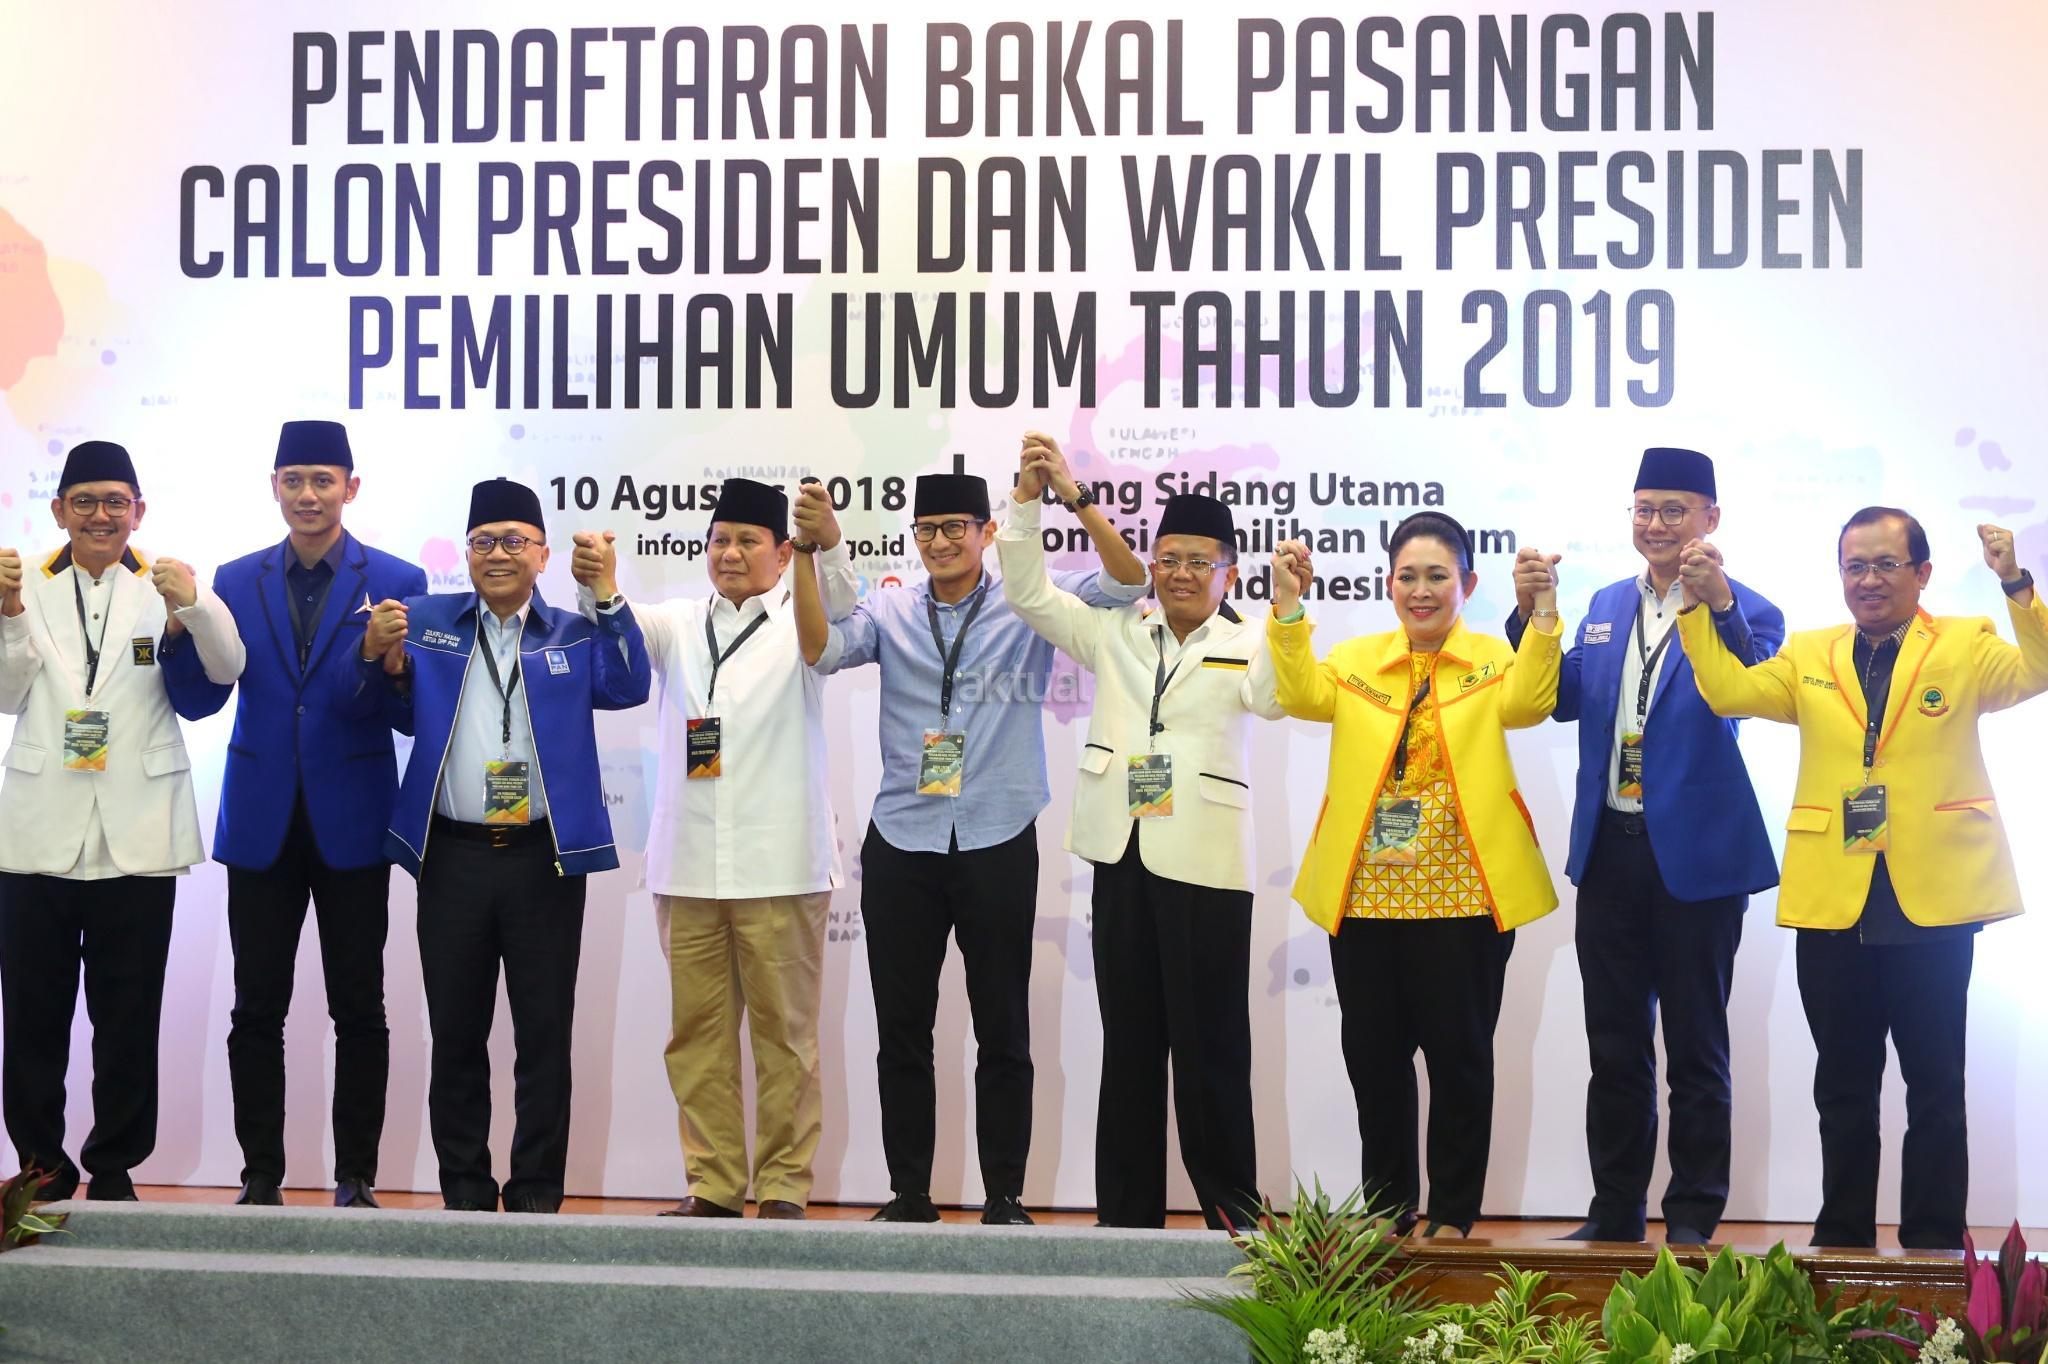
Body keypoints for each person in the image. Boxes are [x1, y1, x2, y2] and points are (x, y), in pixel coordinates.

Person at [1675, 510, 2048, 1250]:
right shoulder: (1811, 652)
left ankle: (1934, 1243)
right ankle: (1842, 1235)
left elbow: (2039, 669)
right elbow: (1728, 692)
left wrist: (2015, 584)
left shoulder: (1966, 642)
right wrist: (1698, 607)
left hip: (1934, 897)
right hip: (1833, 897)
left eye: (1885, 564)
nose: (1868, 580)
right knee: (1843, 1085)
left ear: (1922, 573)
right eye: (1854, 566)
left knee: (1935, 1084)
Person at [796, 449, 1148, 1225]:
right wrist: (812, 552)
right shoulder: (891, 609)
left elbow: (1128, 584)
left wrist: (1072, 497)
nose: (940, 542)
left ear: (988, 532)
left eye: (955, 527)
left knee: (1004, 1026)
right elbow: (821, 650)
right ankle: (908, 1194)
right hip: (902, 839)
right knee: (901, 1031)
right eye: (926, 529)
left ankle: (1005, 1197)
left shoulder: (1029, 598)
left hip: (996, 835)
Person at [996, 441, 1284, 1231]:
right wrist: (1028, 501)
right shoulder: (1116, 630)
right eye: (1169, 559)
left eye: (1200, 562)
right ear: (1151, 566)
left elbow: (1276, 699)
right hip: (1121, 853)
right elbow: (1027, 591)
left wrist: (1290, 616)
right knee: (1129, 1044)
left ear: (1229, 573)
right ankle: (1125, 1221)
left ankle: (1233, 1217)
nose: (1182, 574)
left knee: (1211, 1046)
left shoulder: (1254, 640)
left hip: (1207, 864)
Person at [1503, 448, 1785, 1245]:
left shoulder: (1753, 608)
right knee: (1615, 1048)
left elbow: (1753, 685)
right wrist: (1530, 616)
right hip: (1612, 850)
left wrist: (1717, 604)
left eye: (1674, 510)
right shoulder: (1602, 604)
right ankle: (1616, 1210)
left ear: (1710, 519)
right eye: (1644, 508)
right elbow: (1560, 698)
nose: (1656, 524)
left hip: (1698, 860)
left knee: (1698, 1050)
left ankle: (1693, 1217)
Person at [1267, 512, 1561, 1237]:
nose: (1421, 591)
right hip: (1365, 896)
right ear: (1389, 583)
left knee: (1460, 1061)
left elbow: (1531, 705)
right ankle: (1388, 1206)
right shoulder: (1356, 659)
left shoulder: (1493, 659)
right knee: (1374, 1060)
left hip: (1465, 893)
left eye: (1437, 576)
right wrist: (1289, 608)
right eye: (1408, 576)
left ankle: (1454, 1214)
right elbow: (1301, 696)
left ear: (1467, 583)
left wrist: (1543, 616)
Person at [363, 477, 649, 1213]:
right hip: (451, 857)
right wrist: (378, 658)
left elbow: (629, 686)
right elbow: (380, 703)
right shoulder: (426, 620)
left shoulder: (575, 631)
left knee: (543, 1035)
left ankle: (535, 1195)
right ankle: (463, 1191)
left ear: (542, 554)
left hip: (543, 862)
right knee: (456, 1032)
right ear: (467, 552)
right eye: (483, 541)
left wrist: (608, 593)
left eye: (514, 541)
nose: (498, 554)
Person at [167, 420, 426, 1209]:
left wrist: (389, 663)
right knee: (256, 1009)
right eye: (293, 480)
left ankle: (357, 1178)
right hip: (261, 820)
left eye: (323, 480)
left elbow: (411, 714)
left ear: (351, 487)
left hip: (355, 820)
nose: (307, 495)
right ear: (274, 487)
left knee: (361, 1009)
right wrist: (181, 630)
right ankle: (259, 1176)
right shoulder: (232, 579)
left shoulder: (398, 577)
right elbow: (200, 700)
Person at [602, 477, 856, 1221]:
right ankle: (711, 1185)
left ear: (781, 552)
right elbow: (618, 625)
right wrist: (601, 583)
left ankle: (782, 1187)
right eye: (720, 540)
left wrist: (827, 545)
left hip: (781, 866)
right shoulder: (679, 622)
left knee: (787, 1040)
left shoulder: (805, 618)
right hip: (688, 867)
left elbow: (844, 606)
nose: (731, 554)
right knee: (697, 1038)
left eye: (748, 541)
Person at [0, 440, 246, 1201]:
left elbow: (227, 668)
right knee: (33, 1016)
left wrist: (192, 606)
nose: (101, 516)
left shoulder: (167, 582)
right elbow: (6, 695)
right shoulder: (21, 582)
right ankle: (40, 1167)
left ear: (138, 510)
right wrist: (8, 616)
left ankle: (114, 1167)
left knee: (129, 1014)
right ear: (58, 510)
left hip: (138, 833)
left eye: (116, 502)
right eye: (85, 502)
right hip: (35, 833)